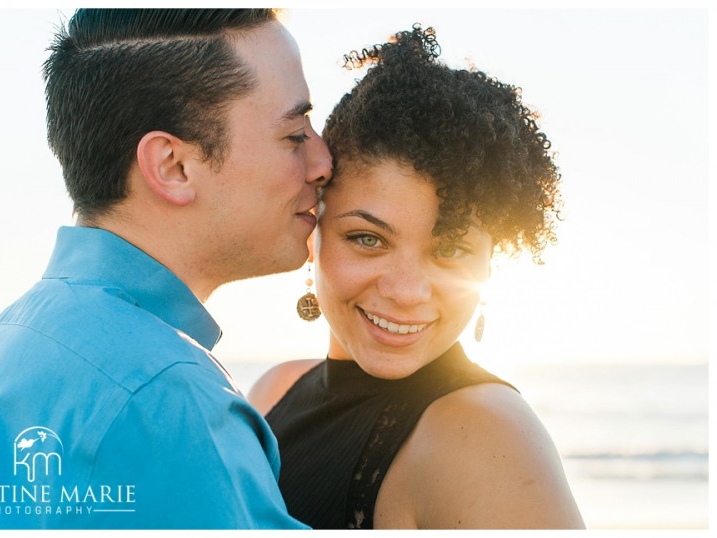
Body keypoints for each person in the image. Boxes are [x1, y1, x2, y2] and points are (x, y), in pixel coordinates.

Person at [0, 8, 331, 529]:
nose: (323, 160)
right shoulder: (164, 396)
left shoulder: (10, 343)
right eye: (295, 133)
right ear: (173, 167)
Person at [248, 25, 586, 529]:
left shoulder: (487, 433)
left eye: (448, 249)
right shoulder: (274, 391)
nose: (406, 291)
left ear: (489, 262)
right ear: (314, 227)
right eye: (368, 238)